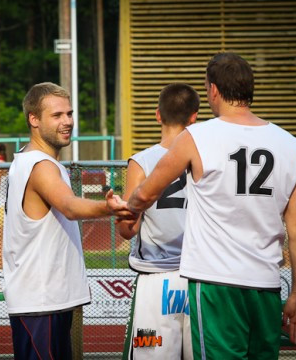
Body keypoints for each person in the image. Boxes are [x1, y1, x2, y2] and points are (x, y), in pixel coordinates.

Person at [127, 52, 296, 359]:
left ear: (213, 90)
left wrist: (124, 204)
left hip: (216, 284)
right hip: (266, 283)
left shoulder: (197, 136)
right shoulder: (290, 144)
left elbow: (145, 195)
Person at [3, 82, 134, 360]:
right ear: (33, 119)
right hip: (41, 302)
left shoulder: (31, 161)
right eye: (57, 115)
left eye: (69, 113)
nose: (67, 122)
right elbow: (70, 206)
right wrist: (108, 208)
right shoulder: (41, 166)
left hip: (45, 302)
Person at [118, 83, 199, 360]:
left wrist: (121, 213)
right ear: (194, 117)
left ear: (157, 115)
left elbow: (127, 230)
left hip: (156, 281)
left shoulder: (141, 161)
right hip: (200, 278)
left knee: (150, 353)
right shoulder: (206, 160)